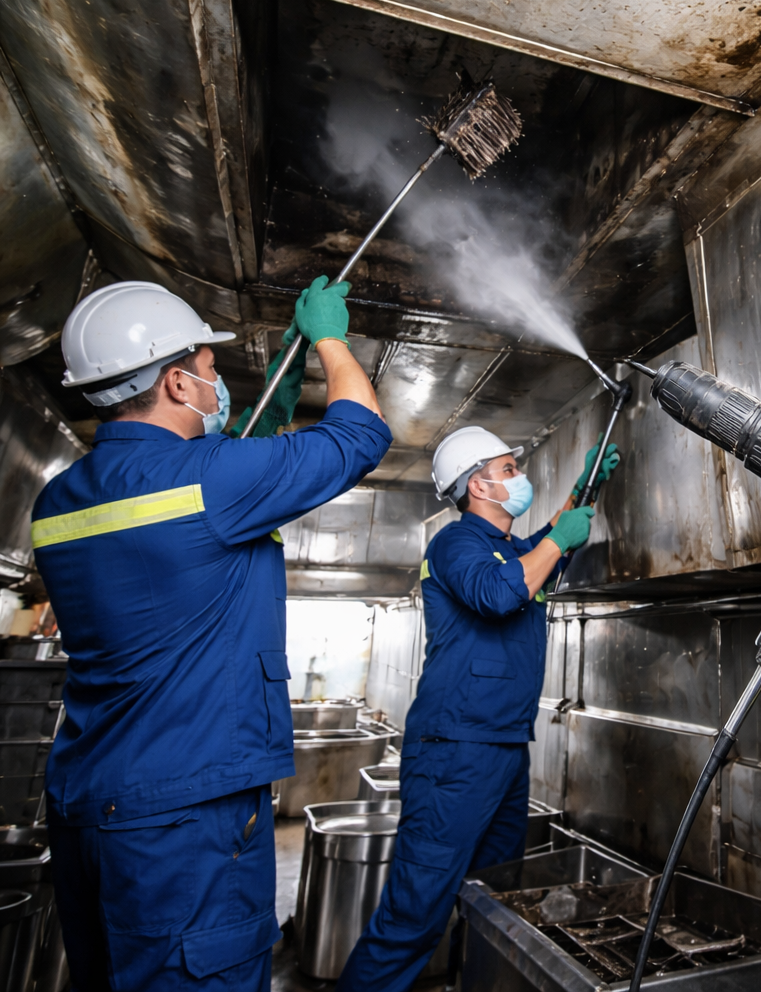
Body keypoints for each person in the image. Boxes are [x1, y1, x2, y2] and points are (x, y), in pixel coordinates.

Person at [31, 276, 389, 989]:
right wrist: (328, 338)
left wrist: (269, 411)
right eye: (205, 365)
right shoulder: (211, 482)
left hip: (90, 804)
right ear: (174, 382)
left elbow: (184, 512)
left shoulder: (58, 500)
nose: (213, 377)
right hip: (185, 820)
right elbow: (360, 435)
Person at [337, 427, 619, 989]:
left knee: (494, 900)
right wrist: (559, 539)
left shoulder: (513, 552)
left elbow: (539, 556)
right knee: (415, 915)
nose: (520, 477)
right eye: (508, 470)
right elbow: (498, 593)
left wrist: (584, 489)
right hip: (455, 753)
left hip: (505, 749)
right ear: (477, 485)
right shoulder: (454, 544)